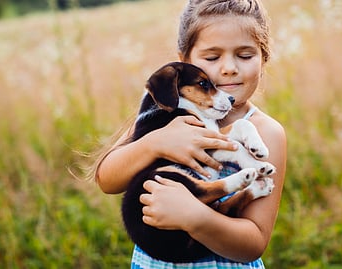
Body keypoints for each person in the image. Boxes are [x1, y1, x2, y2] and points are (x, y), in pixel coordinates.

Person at [92, 0, 286, 267]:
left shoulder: (266, 132)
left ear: (264, 59)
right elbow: (107, 180)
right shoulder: (162, 115)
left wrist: (195, 217)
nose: (229, 68)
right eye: (212, 57)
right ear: (184, 62)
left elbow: (254, 243)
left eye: (245, 55)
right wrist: (154, 144)